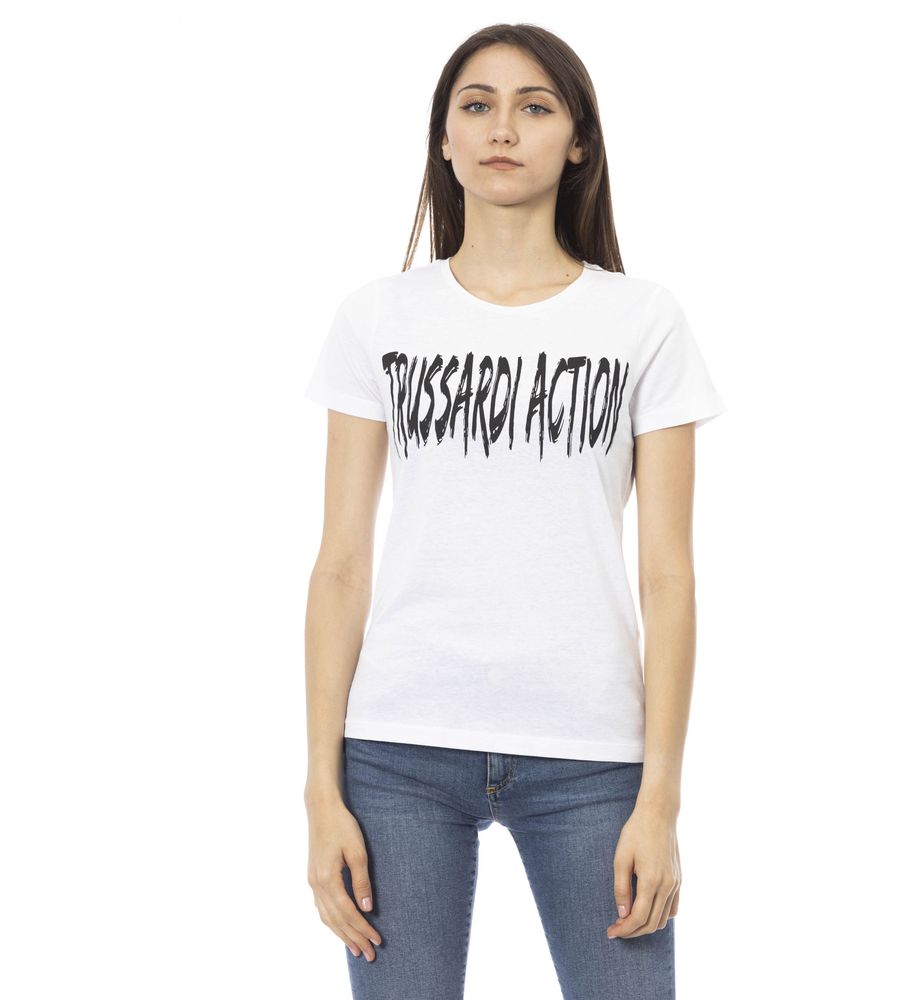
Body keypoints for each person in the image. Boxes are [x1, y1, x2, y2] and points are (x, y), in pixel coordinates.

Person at [302, 23, 725, 1000]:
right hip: (398, 749)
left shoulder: (642, 321)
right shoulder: (377, 317)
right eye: (476, 105)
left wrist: (660, 795)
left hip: (591, 756)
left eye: (535, 106)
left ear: (577, 142)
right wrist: (320, 788)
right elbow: (340, 566)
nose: (503, 128)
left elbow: (668, 575)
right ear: (444, 138)